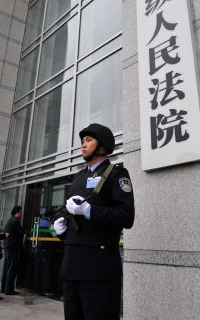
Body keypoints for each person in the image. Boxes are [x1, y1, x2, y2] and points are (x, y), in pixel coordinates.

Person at [54, 123, 135, 320]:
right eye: (83, 141)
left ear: (102, 146)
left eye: (88, 140)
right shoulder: (79, 176)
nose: (83, 145)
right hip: (72, 267)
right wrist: (61, 226)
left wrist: (90, 211)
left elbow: (126, 216)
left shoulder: (117, 174)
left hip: (99, 270)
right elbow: (69, 210)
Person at [0, 205, 24, 295]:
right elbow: (21, 232)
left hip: (8, 247)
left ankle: (3, 288)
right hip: (12, 248)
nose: (21, 214)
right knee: (11, 269)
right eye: (20, 212)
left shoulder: (10, 220)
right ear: (17, 212)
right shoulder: (15, 221)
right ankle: (9, 290)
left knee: (6, 268)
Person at [34, 210, 55, 297]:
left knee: (38, 269)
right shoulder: (50, 225)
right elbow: (55, 236)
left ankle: (37, 288)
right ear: (50, 217)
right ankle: (47, 290)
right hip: (46, 250)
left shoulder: (38, 223)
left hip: (38, 249)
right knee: (47, 271)